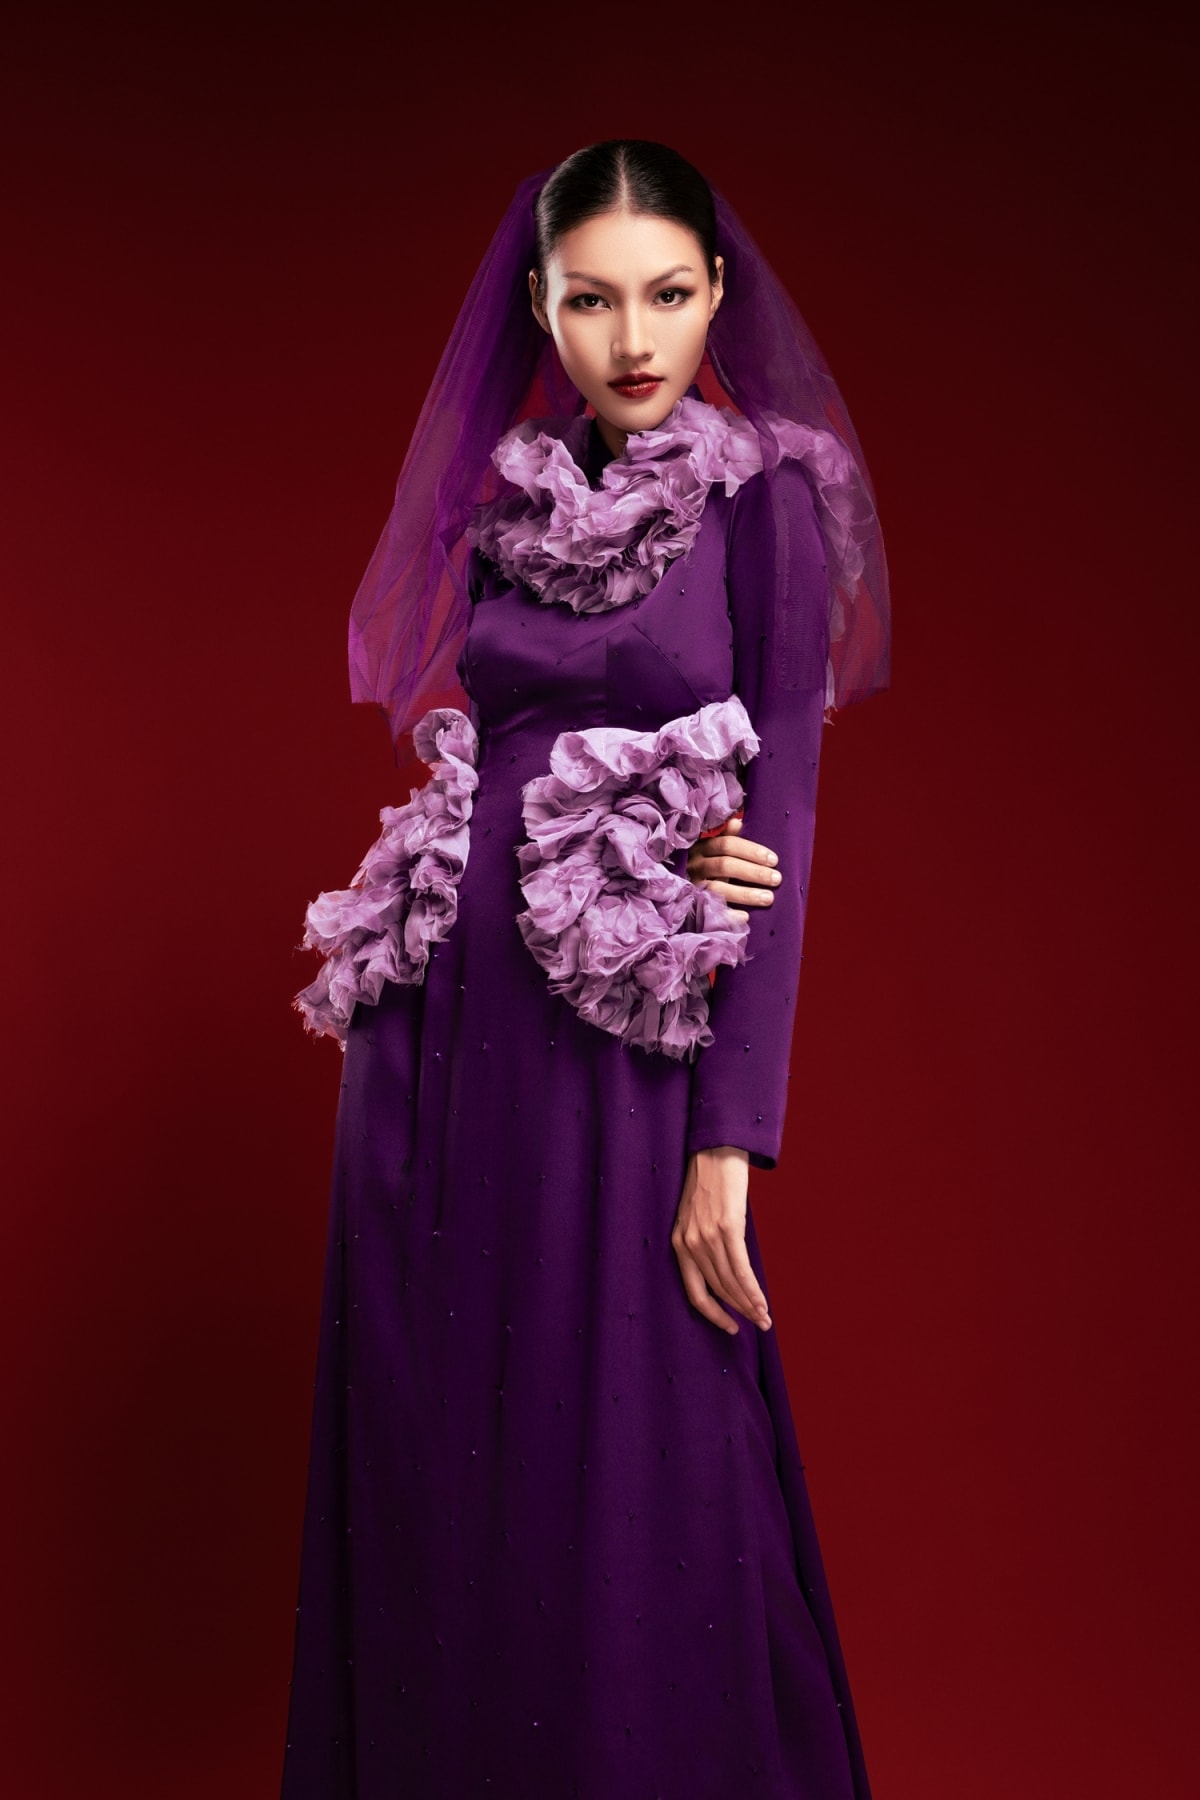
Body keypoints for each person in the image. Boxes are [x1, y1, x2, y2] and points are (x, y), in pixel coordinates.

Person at [281, 139, 889, 1800]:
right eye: (593, 300)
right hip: (439, 1039)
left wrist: (731, 1141)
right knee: (447, 1456)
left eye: (669, 296)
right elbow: (492, 753)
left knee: (652, 1460)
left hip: (623, 1045)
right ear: (541, 311)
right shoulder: (511, 514)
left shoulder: (766, 503)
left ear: (717, 296)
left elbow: (788, 806)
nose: (634, 340)